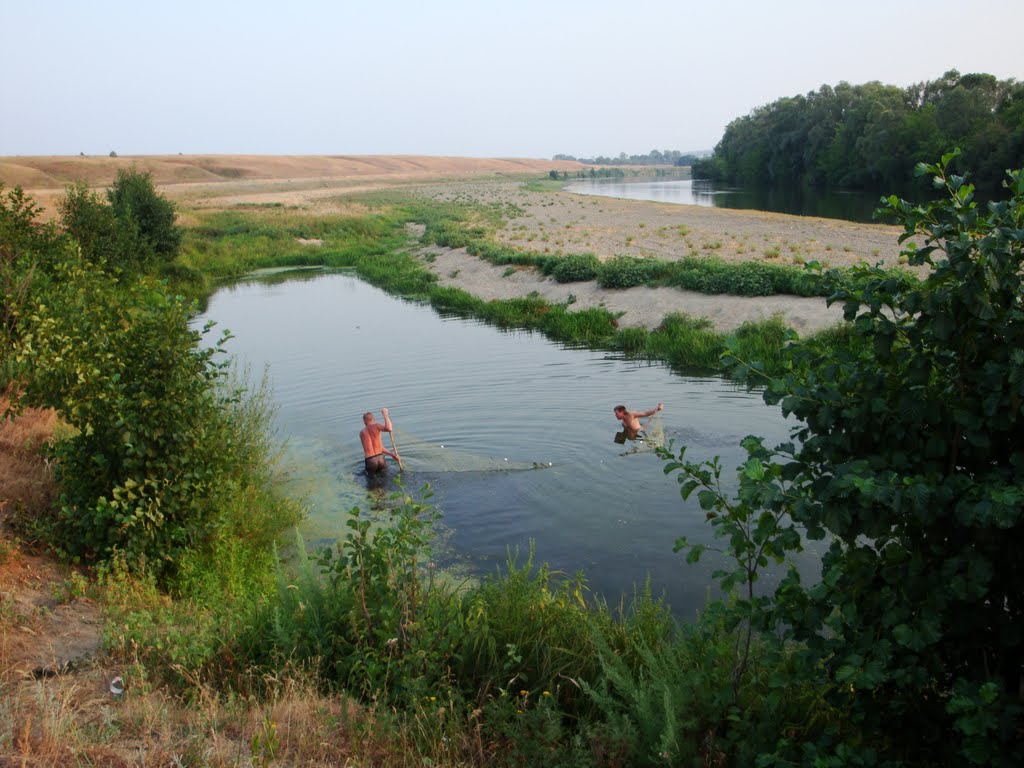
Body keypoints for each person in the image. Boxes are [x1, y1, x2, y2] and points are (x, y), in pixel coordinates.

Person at [360, 408, 399, 475]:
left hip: (370, 460)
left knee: (371, 481)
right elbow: (389, 429)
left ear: (364, 421)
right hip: (381, 458)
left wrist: (393, 455)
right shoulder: (377, 426)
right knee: (385, 479)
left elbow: (371, 448)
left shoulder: (362, 433)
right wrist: (385, 415)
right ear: (373, 419)